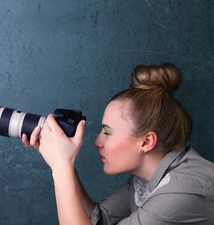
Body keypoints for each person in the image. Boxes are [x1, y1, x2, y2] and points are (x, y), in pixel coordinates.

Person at [22, 62, 214, 224]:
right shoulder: (147, 178)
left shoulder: (180, 192)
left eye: (107, 131)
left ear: (147, 142)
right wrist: (63, 162)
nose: (97, 141)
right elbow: (100, 219)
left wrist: (61, 166)